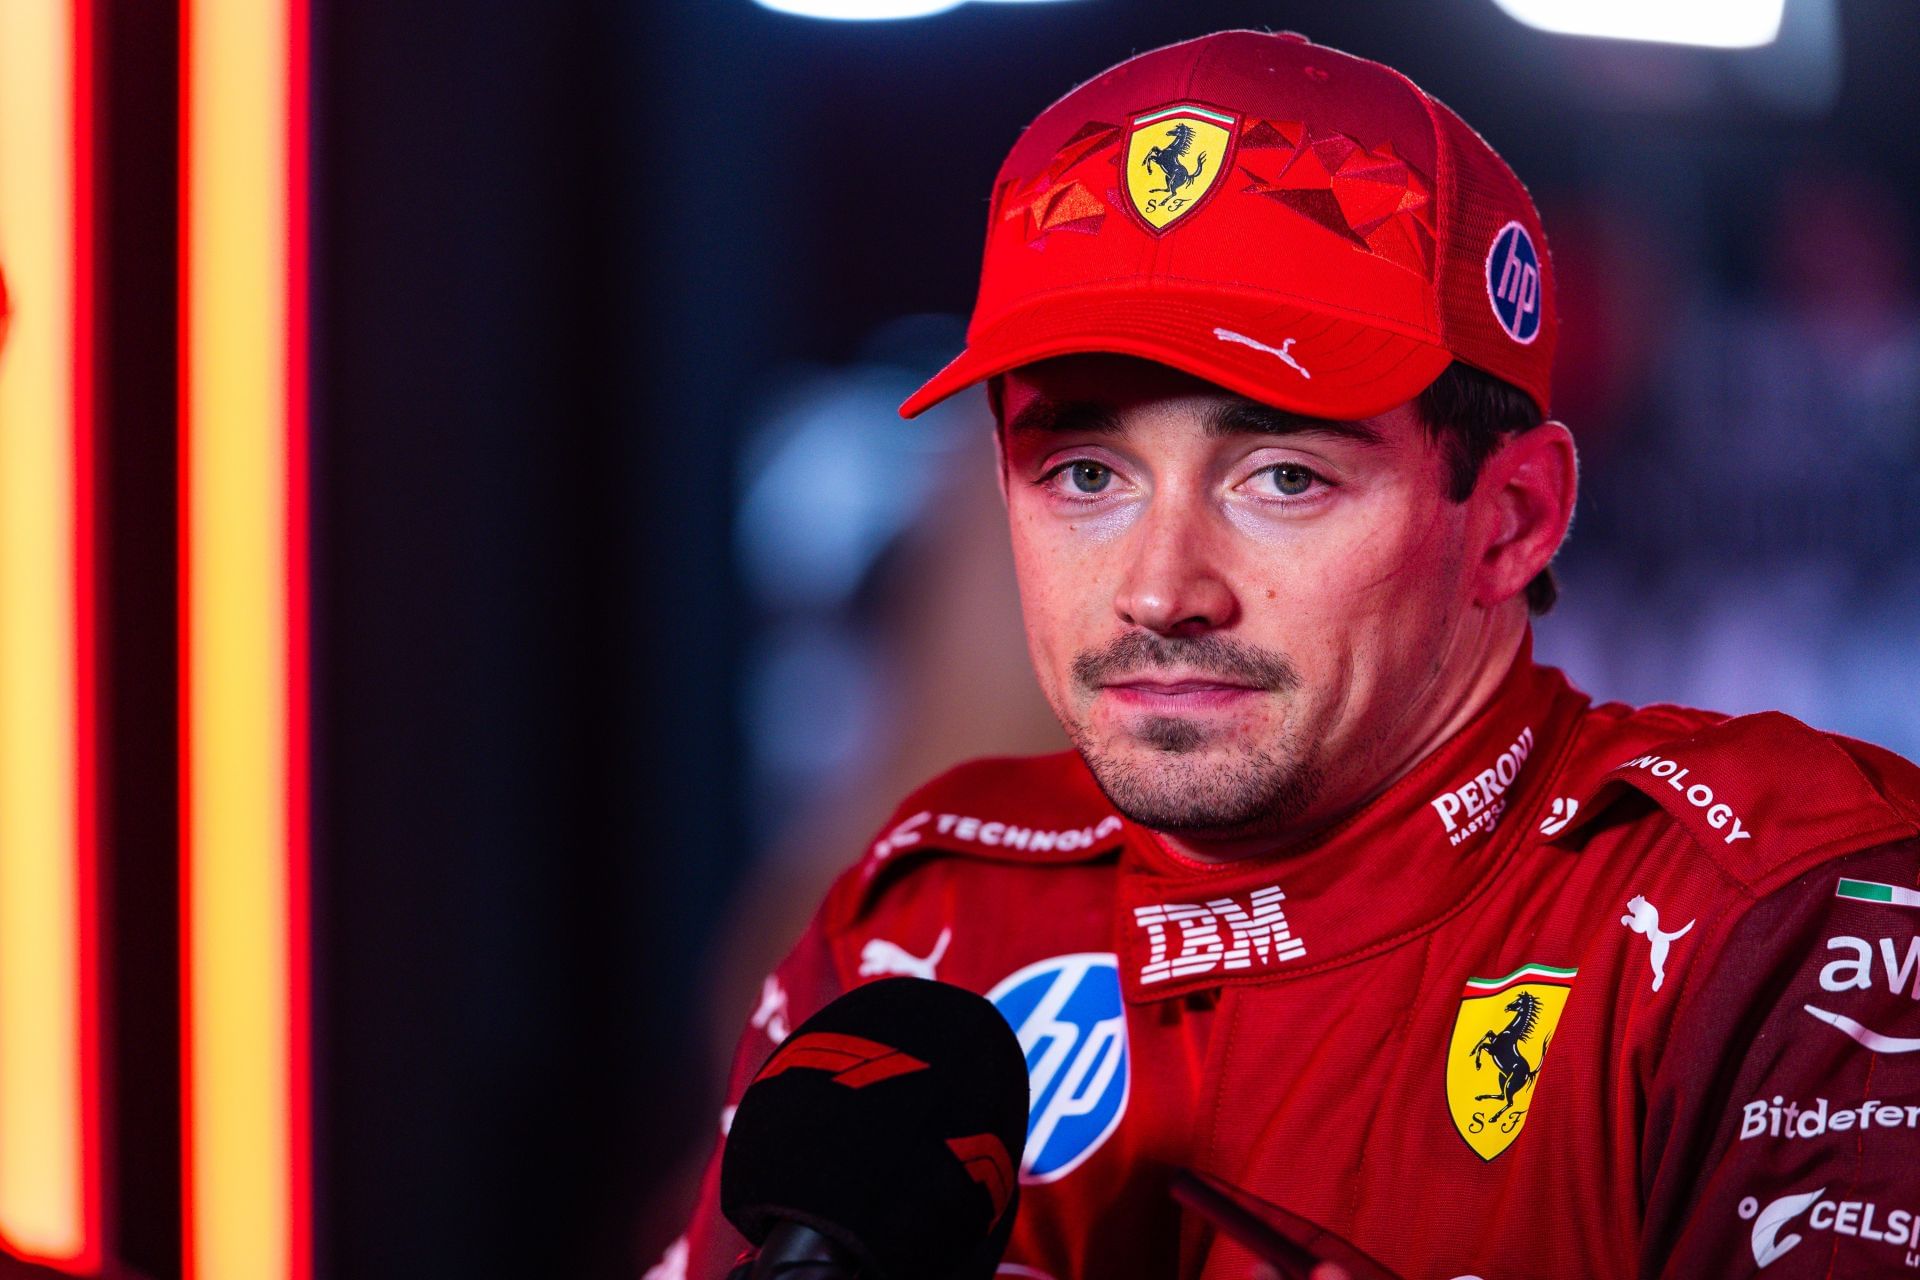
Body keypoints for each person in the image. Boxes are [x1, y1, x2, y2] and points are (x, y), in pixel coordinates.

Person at [655, 30, 1920, 1280]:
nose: (1160, 587)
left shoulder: (1787, 907)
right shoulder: (924, 915)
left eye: (1282, 477)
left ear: (1514, 518)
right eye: (1087, 474)